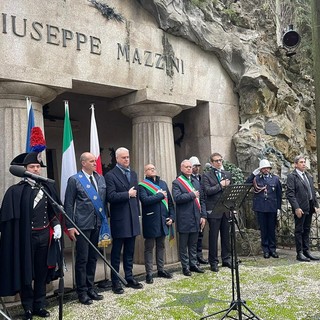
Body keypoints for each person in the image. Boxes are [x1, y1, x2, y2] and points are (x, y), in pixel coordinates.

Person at [0, 152, 62, 320]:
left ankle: (39, 304)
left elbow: (52, 212)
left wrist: (56, 225)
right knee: (26, 272)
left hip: (44, 236)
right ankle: (27, 307)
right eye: (32, 167)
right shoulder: (16, 191)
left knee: (42, 272)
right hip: (26, 239)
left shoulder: (47, 188)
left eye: (37, 167)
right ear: (25, 169)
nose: (35, 169)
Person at [64, 152, 110, 305]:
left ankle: (91, 287)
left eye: (94, 161)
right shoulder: (75, 180)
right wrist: (70, 225)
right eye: (91, 161)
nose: (94, 163)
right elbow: (68, 204)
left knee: (93, 257)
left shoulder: (100, 178)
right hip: (82, 225)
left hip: (97, 223)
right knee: (82, 259)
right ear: (83, 163)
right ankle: (82, 292)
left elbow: (103, 200)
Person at [105, 147, 143, 294]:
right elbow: (111, 197)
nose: (127, 160)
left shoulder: (133, 174)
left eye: (128, 157)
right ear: (117, 159)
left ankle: (129, 277)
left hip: (132, 218)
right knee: (116, 252)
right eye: (123, 158)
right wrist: (127, 194)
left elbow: (137, 197)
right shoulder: (111, 175)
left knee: (130, 251)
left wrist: (138, 214)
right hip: (120, 220)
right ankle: (116, 281)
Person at [138, 164, 175, 284]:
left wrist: (171, 217)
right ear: (145, 172)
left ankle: (161, 269)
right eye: (149, 169)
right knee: (149, 247)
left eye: (154, 168)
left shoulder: (163, 183)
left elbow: (169, 202)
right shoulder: (142, 185)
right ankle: (149, 273)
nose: (152, 170)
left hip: (163, 220)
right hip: (150, 221)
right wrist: (159, 195)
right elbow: (145, 200)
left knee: (161, 246)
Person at [172, 159, 206, 276]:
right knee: (184, 245)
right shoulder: (177, 182)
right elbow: (177, 198)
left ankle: (193, 264)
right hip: (184, 218)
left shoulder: (196, 182)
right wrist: (191, 195)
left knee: (193, 243)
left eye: (190, 167)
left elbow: (202, 200)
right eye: (186, 167)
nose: (189, 169)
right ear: (181, 168)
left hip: (196, 217)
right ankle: (185, 267)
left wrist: (203, 215)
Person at [202, 152, 232, 272]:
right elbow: (208, 191)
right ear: (211, 163)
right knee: (213, 237)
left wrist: (232, 207)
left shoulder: (227, 174)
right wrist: (220, 185)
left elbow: (231, 191)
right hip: (213, 210)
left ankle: (226, 259)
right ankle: (213, 261)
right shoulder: (206, 175)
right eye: (216, 161)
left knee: (226, 235)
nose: (219, 162)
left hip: (225, 210)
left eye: (220, 160)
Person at [286, 155, 319, 262]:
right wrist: (296, 208)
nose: (304, 164)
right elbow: (290, 194)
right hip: (300, 208)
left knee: (307, 229)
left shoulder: (308, 176)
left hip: (309, 206)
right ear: (296, 164)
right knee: (299, 230)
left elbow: (312, 192)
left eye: (304, 162)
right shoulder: (292, 177)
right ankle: (299, 253)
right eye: (301, 162)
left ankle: (306, 251)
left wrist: (316, 205)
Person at [246, 159, 282, 258]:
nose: (266, 170)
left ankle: (272, 249)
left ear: (270, 169)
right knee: (263, 229)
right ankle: (265, 249)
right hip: (261, 207)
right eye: (263, 168)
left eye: (267, 168)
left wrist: (278, 208)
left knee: (271, 229)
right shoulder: (256, 178)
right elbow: (246, 184)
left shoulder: (275, 179)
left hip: (271, 207)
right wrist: (253, 174)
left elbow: (279, 194)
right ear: (260, 169)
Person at [189, 156, 208, 265]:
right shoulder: (187, 179)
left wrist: (204, 215)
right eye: (195, 166)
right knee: (193, 237)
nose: (197, 168)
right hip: (192, 211)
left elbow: (203, 197)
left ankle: (199, 255)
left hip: (201, 208)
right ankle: (193, 257)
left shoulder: (200, 178)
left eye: (198, 166)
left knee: (200, 234)